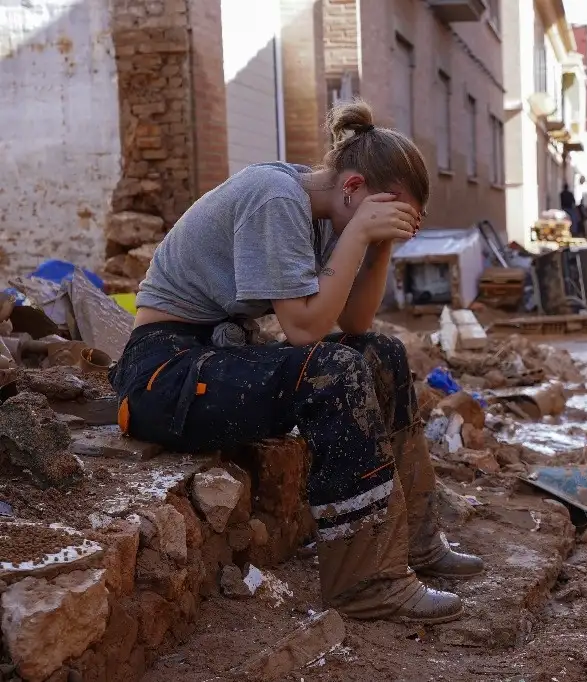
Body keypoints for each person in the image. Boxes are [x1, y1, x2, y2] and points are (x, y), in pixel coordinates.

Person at [109, 100, 484, 625]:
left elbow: (354, 324)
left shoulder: (329, 212)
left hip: (221, 354)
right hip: (162, 374)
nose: (389, 221)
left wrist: (378, 247)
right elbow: (304, 330)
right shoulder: (275, 198)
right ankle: (366, 583)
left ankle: (418, 543)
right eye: (386, 208)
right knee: (333, 371)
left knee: (381, 354)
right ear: (352, 188)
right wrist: (358, 234)